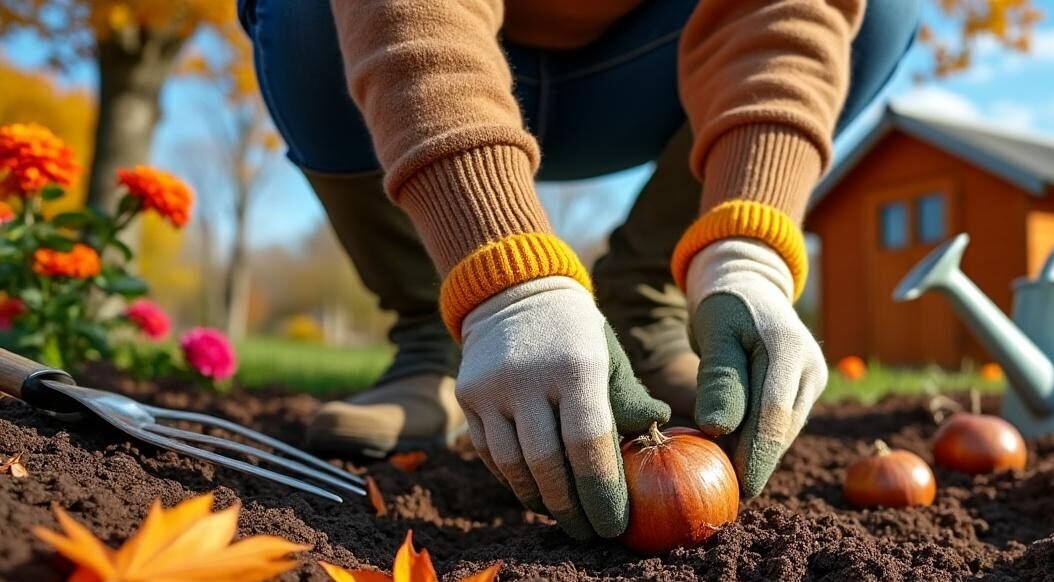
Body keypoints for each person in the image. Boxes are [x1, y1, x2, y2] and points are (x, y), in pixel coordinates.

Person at [239, 0, 920, 539]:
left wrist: (747, 249)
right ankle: (432, 339)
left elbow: (786, 13)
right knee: (298, 10)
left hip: (641, 71)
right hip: (406, 48)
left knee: (876, 14)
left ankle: (645, 313)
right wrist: (505, 285)